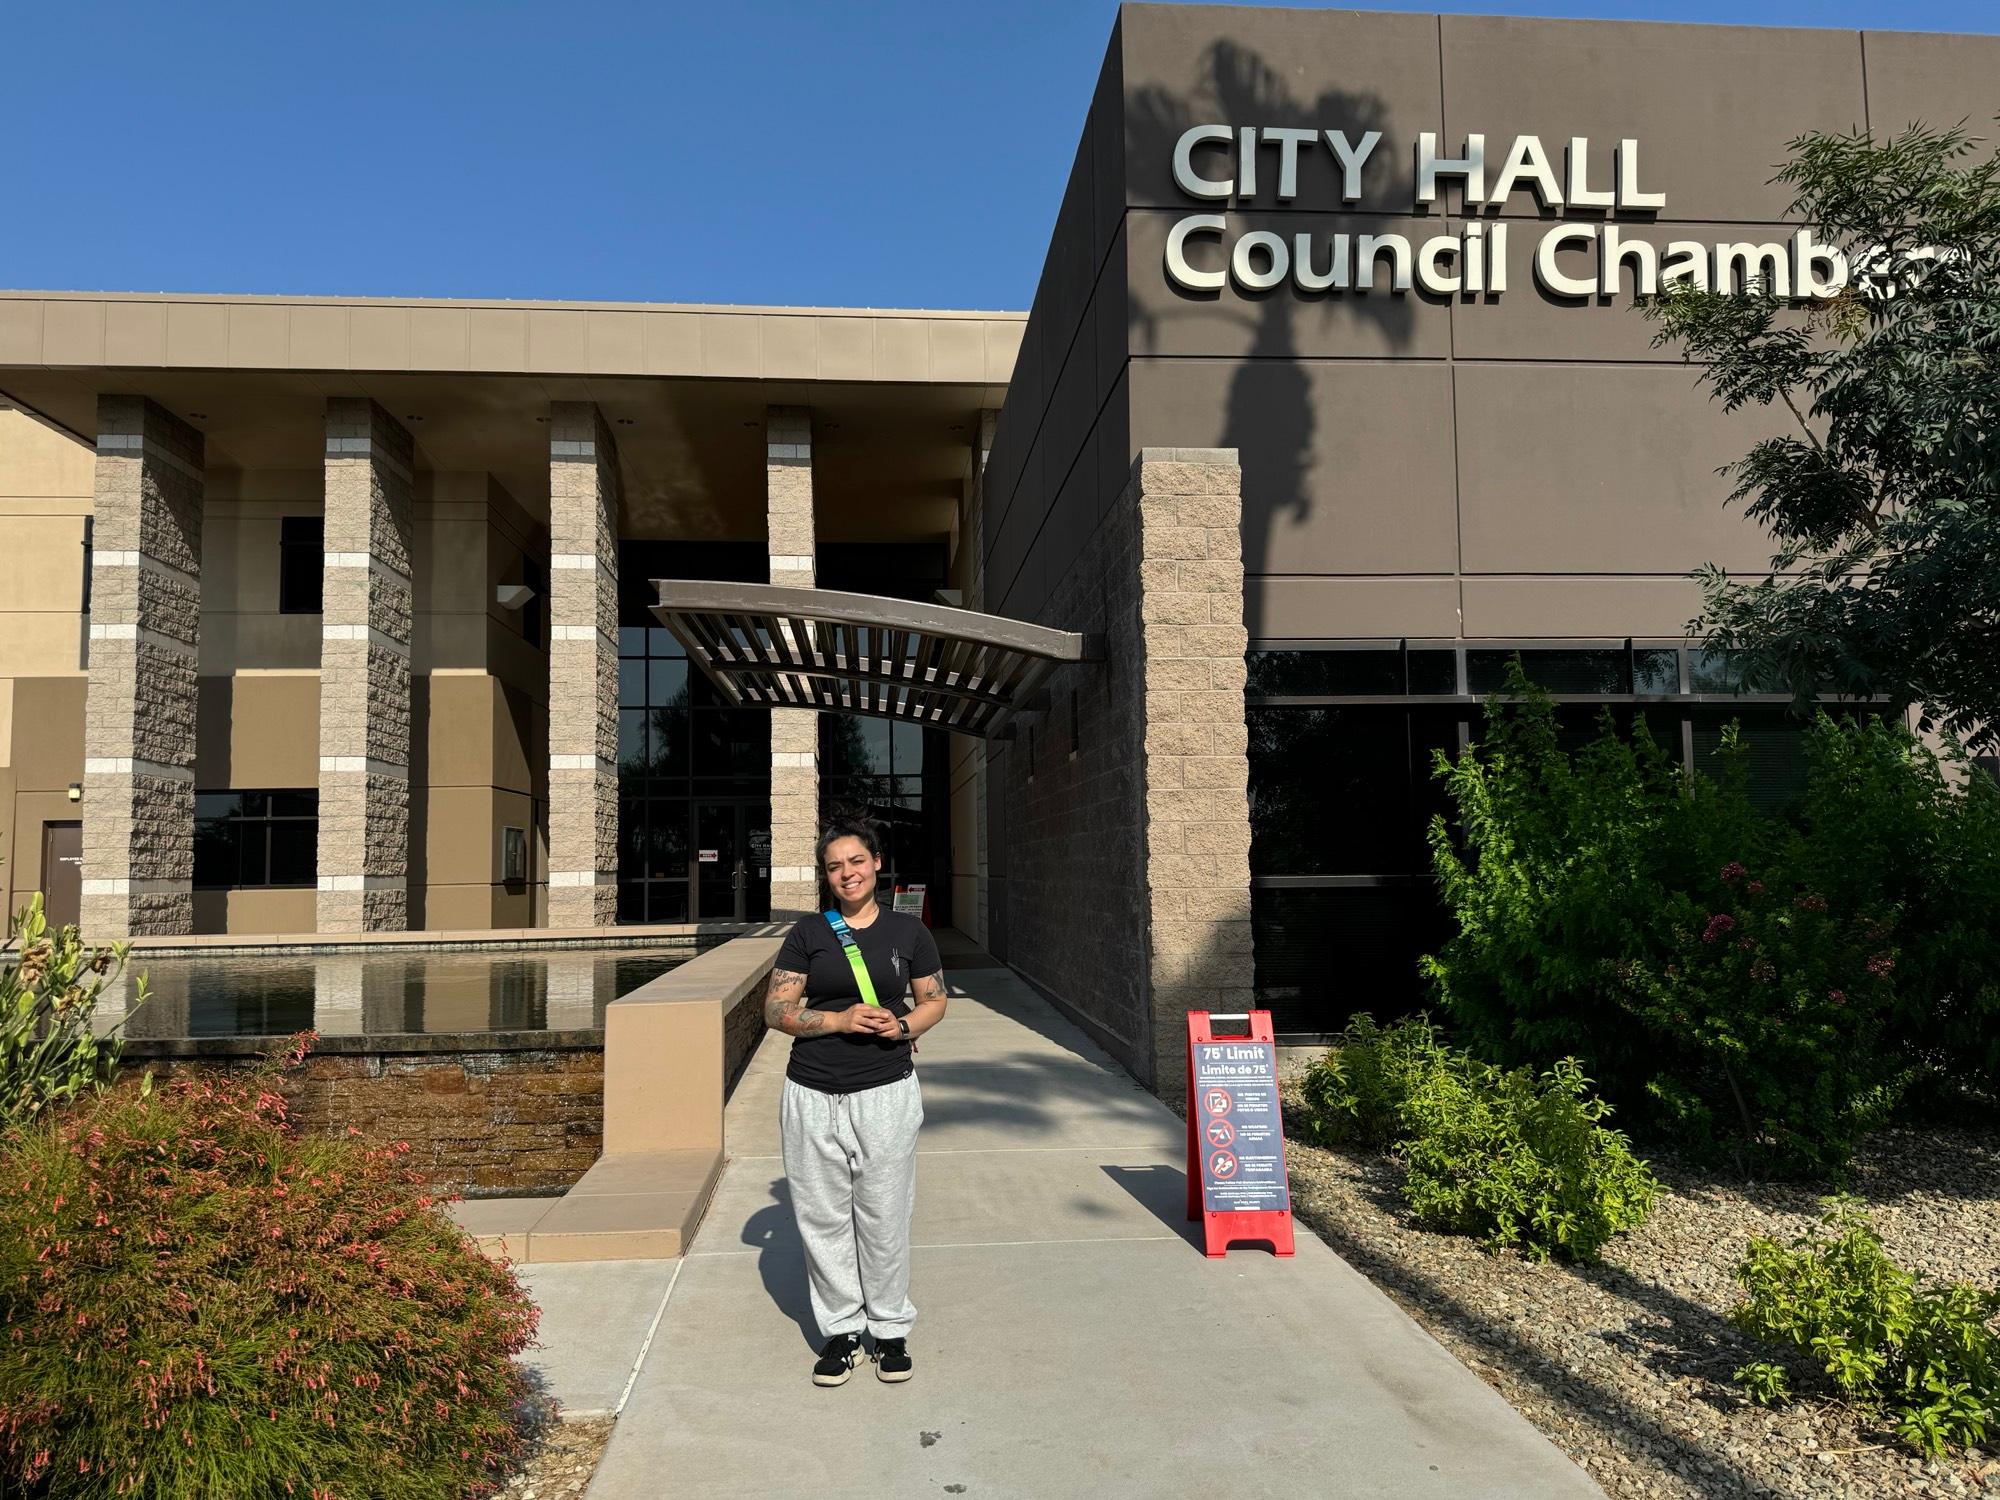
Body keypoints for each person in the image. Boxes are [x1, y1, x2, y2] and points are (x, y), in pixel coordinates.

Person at [762, 817, 948, 1387]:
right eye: (835, 866)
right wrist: (839, 1018)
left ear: (876, 862)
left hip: (885, 1092)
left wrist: (906, 1025)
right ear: (827, 876)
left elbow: (934, 1000)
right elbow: (776, 1011)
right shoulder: (809, 933)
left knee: (885, 1215)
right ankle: (841, 1331)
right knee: (822, 1219)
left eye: (856, 861)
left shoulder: (908, 933)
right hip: (812, 1092)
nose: (847, 873)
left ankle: (890, 1329)